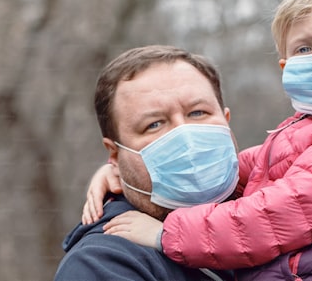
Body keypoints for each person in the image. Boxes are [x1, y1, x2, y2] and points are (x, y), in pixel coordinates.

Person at [85, 0, 312, 280]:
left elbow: (273, 216)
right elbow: (234, 173)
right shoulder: (304, 130)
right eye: (303, 48)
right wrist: (126, 172)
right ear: (285, 65)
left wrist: (166, 235)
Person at [54, 45, 237, 281]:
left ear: (226, 120)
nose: (186, 138)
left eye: (198, 113)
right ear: (115, 155)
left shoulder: (273, 207)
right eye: (154, 124)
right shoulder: (103, 264)